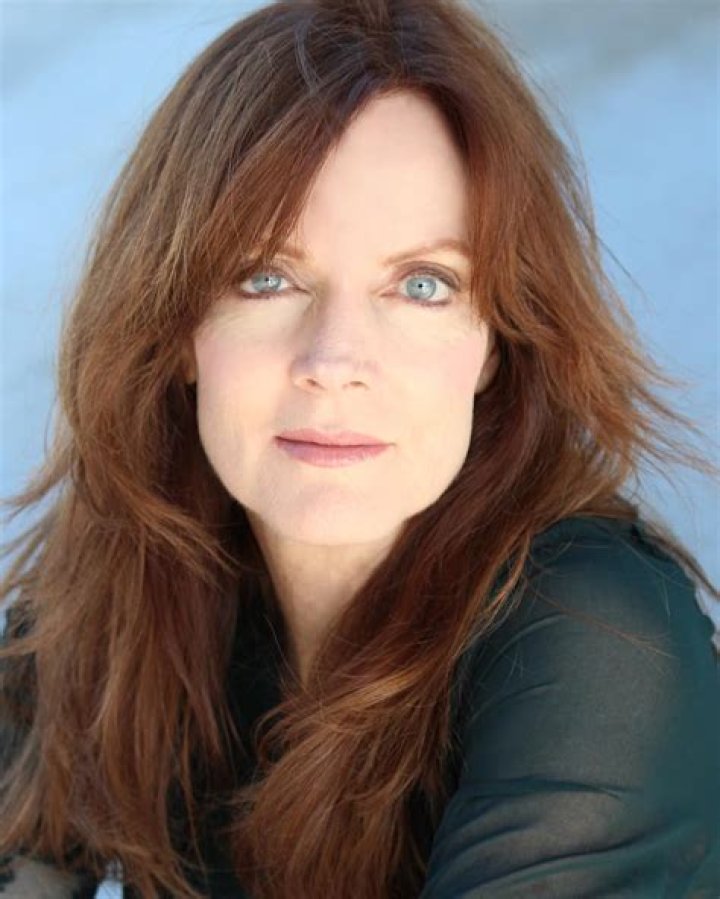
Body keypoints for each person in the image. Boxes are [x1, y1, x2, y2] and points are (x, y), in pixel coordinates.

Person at [1, 0, 718, 896]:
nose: (334, 362)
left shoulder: (598, 640)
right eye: (266, 277)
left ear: (496, 343)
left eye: (423, 285)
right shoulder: (123, 575)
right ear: (179, 327)